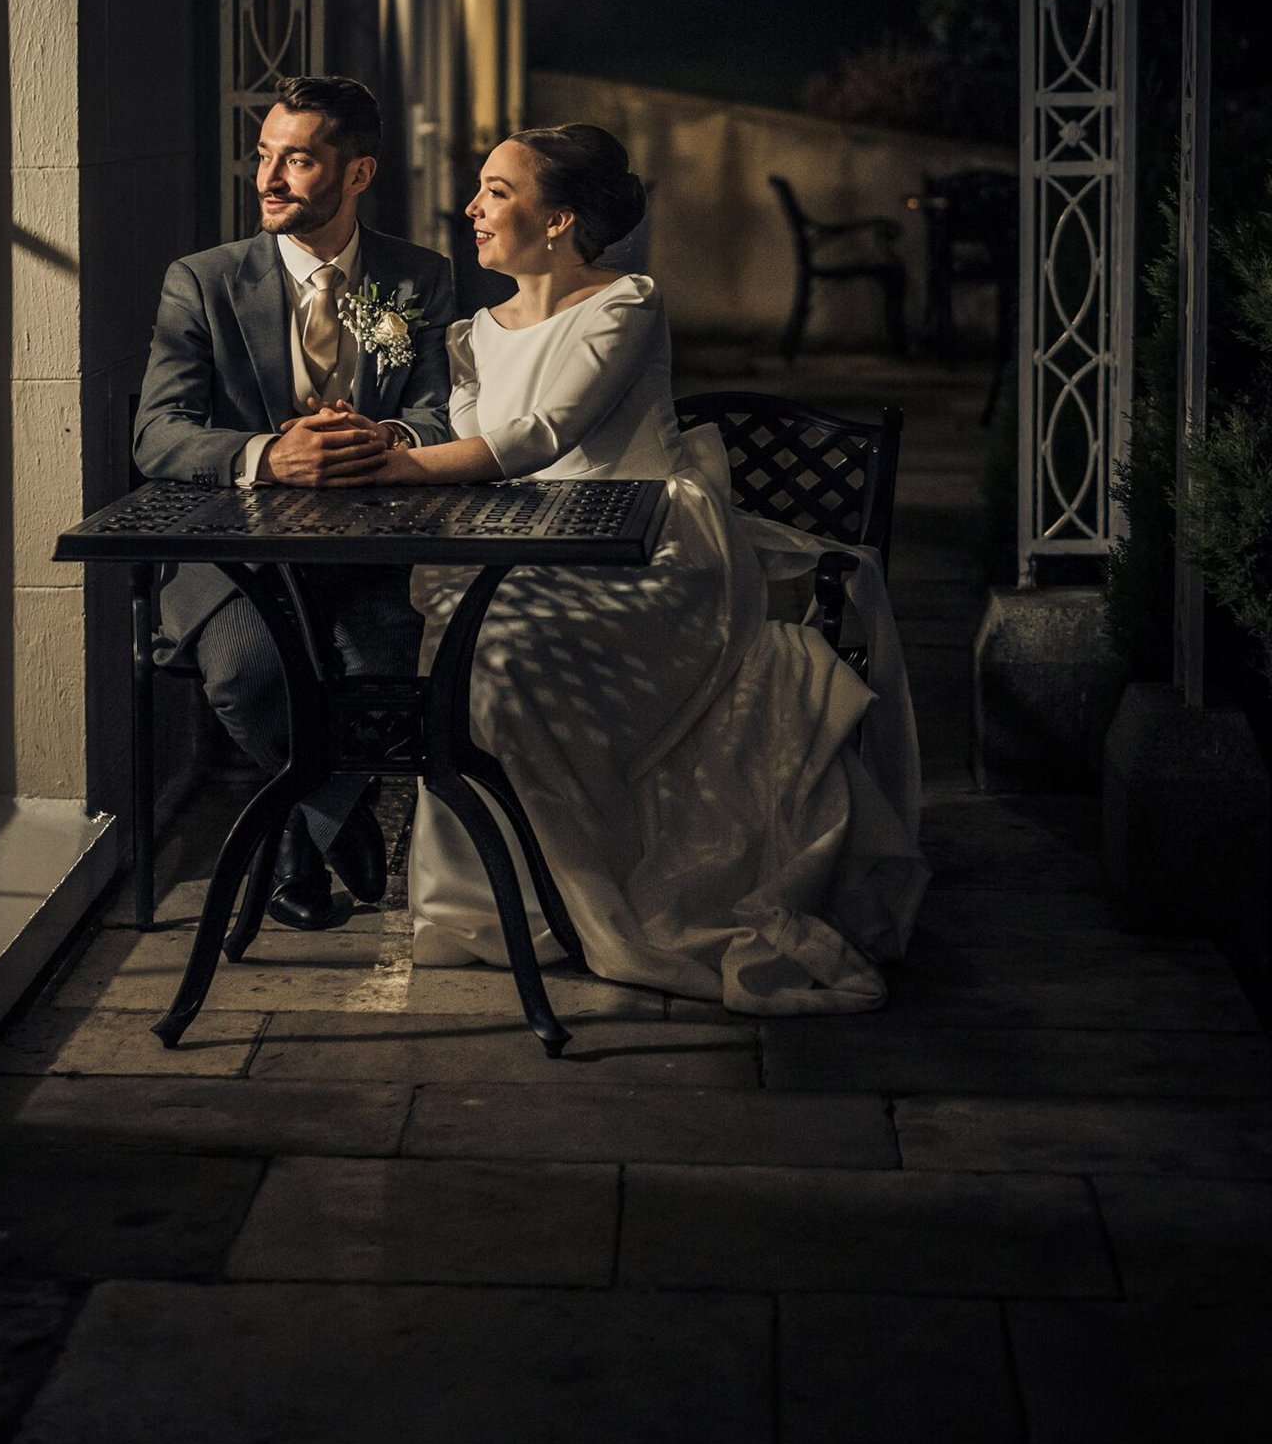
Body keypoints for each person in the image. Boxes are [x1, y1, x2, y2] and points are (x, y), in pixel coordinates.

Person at [356, 122, 929, 1014]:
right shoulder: (475, 332)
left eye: (497, 191)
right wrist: (389, 440)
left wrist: (399, 464)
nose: (470, 207)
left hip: (643, 550)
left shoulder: (624, 302)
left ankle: (590, 900)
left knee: (508, 657)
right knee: (468, 642)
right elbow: (471, 447)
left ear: (559, 221)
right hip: (524, 545)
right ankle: (507, 902)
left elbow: (545, 435)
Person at [133, 74, 455, 929]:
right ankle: (339, 818)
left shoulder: (416, 279)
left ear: (356, 175)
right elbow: (157, 435)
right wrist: (269, 454)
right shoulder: (202, 282)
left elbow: (437, 410)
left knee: (381, 675)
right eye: (265, 157)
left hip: (369, 546)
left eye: (297, 161)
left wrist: (383, 440)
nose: (267, 179)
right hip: (233, 549)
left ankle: (296, 843)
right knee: (246, 676)